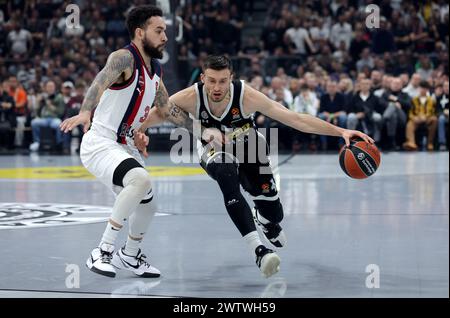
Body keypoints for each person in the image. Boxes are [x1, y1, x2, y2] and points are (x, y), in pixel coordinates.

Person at [136, 55, 374, 278]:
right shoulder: (190, 97)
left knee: (274, 212)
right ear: (202, 79)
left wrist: (340, 131)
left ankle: (264, 218)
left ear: (231, 78)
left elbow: (296, 119)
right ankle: (259, 250)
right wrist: (137, 133)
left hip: (250, 147)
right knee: (226, 175)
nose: (216, 88)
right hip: (214, 150)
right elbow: (157, 114)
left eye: (222, 81)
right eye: (211, 81)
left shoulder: (246, 95)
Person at [59, 5, 185, 278]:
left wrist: (202, 131)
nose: (165, 36)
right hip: (100, 142)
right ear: (140, 33)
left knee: (149, 206)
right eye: (159, 30)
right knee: (140, 180)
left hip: (125, 145)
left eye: (165, 30)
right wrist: (84, 111)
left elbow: (167, 111)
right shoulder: (124, 58)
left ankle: (129, 255)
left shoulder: (156, 72)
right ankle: (102, 251)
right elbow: (99, 83)